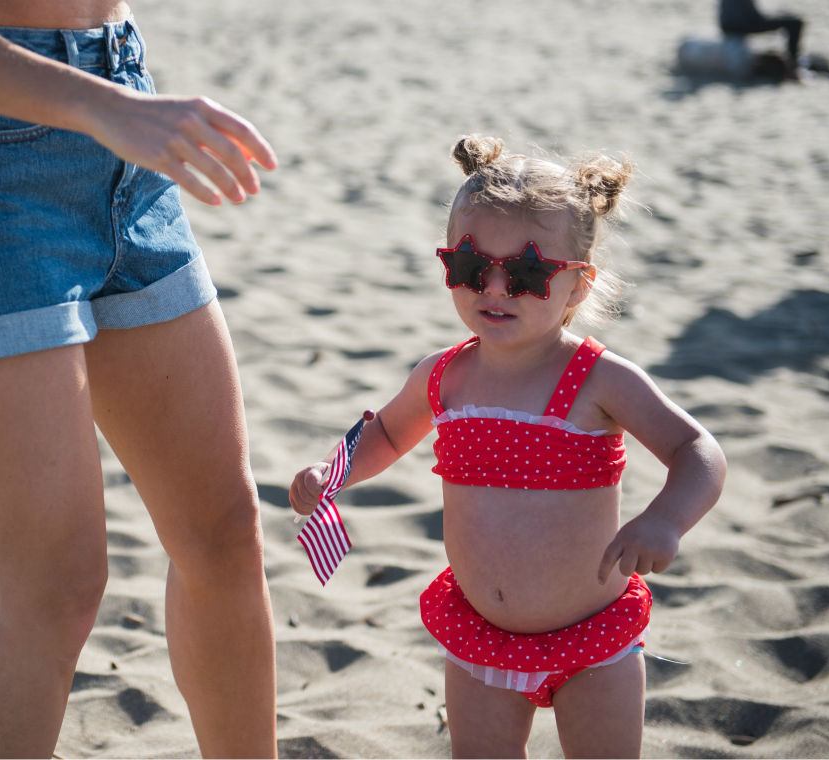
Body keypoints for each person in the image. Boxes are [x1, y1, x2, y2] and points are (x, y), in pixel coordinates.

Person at [0, 0, 279, 757]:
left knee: (222, 534)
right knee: (53, 588)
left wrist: (116, 101)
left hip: (128, 113)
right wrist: (101, 105)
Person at [289, 135, 727, 758]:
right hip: (480, 637)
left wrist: (665, 519)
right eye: (470, 267)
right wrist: (332, 471)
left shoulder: (599, 380)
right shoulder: (444, 376)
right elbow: (385, 432)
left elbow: (696, 449)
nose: (494, 288)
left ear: (577, 286)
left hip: (591, 642)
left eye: (525, 274)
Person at [719, 0, 804, 69]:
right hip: (738, 24)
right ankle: (793, 62)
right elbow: (754, 16)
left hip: (731, 23)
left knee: (790, 21)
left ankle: (792, 60)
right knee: (795, 23)